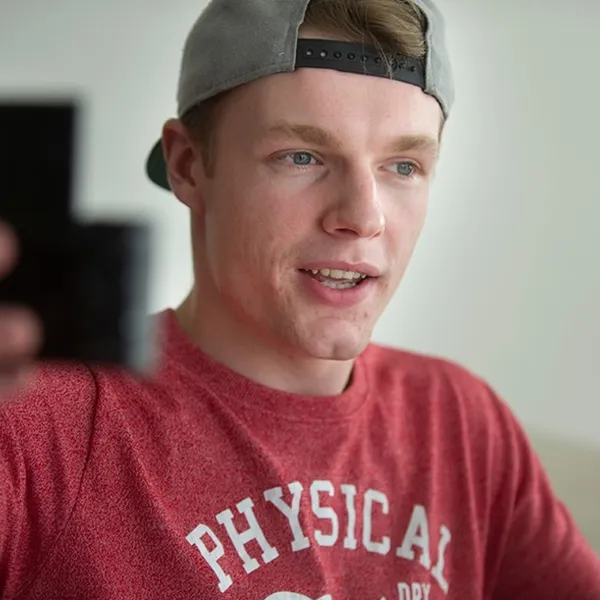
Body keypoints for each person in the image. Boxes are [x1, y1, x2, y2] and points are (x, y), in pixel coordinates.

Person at [1, 0, 599, 598]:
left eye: (403, 165)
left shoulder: (461, 423)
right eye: (301, 156)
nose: (363, 217)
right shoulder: (38, 419)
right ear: (188, 165)